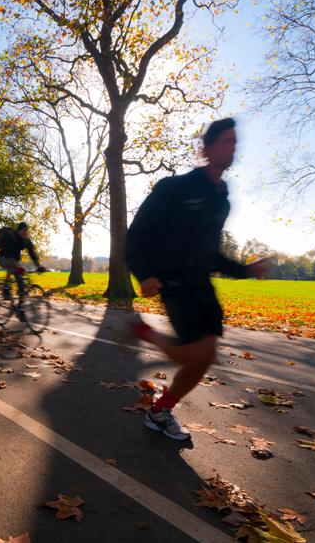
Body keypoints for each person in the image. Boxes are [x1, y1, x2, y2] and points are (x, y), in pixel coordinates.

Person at [126, 118, 269, 440]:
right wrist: (144, 274)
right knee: (200, 356)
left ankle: (160, 411)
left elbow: (211, 253)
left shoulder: (222, 200)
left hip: (202, 285)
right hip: (172, 282)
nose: (233, 148)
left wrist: (245, 270)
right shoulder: (173, 188)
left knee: (202, 361)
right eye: (226, 141)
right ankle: (145, 333)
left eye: (235, 142)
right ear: (206, 149)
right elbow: (136, 235)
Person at [0, 222, 47, 309]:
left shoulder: (26, 241)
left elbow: (32, 254)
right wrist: (15, 264)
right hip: (3, 258)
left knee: (21, 282)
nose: (25, 232)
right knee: (13, 266)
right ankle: (6, 287)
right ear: (18, 231)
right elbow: (8, 251)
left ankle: (20, 307)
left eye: (26, 231)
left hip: (14, 261)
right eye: (23, 230)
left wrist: (39, 266)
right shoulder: (11, 236)